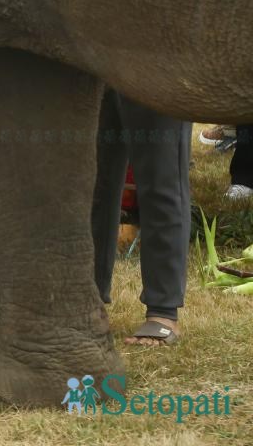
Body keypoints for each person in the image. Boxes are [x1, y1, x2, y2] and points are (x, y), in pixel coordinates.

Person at [91, 90, 192, 346]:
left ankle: (163, 311)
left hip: (154, 59)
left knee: (160, 171)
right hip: (94, 55)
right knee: (92, 180)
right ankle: (87, 298)